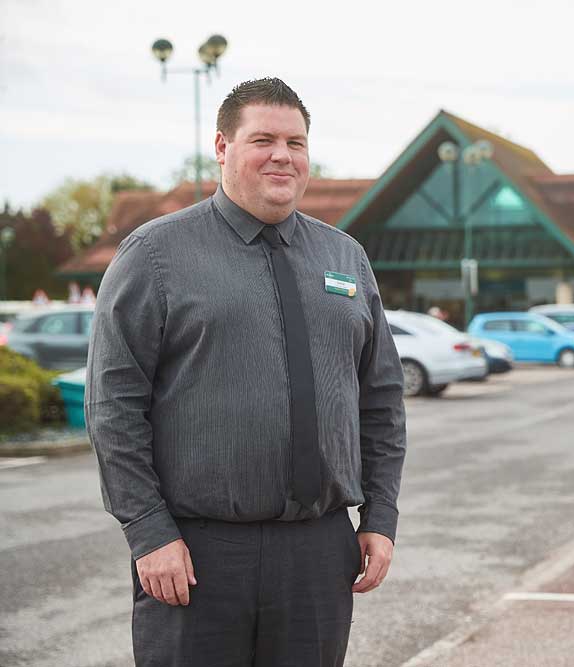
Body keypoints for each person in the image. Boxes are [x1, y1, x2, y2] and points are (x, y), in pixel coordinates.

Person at [86, 77, 406, 666]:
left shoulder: (345, 257)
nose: (282, 154)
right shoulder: (155, 254)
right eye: (263, 139)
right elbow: (113, 404)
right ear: (222, 147)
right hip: (196, 554)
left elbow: (381, 398)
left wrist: (380, 516)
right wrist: (149, 531)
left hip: (318, 555)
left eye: (296, 142)